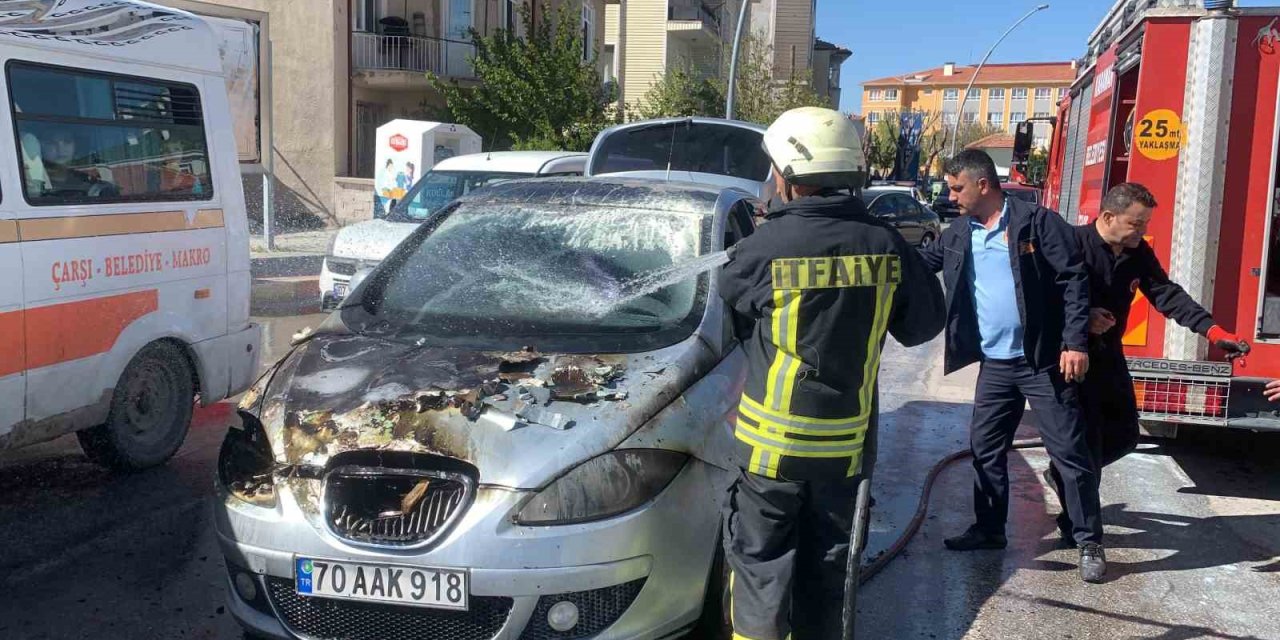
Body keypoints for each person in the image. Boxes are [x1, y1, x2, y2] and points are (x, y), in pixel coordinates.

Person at [718, 106, 945, 640]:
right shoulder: (887, 245)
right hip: (843, 450)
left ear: (790, 178)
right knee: (829, 569)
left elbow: (731, 324)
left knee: (760, 566)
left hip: (770, 452)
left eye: (775, 169)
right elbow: (921, 328)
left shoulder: (763, 248)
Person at [918, 149, 1107, 583]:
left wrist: (1075, 341)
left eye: (957, 187)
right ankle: (988, 530)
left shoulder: (1038, 224)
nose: (952, 196)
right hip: (996, 366)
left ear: (983, 184)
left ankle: (1088, 541)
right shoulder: (958, 233)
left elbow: (1074, 279)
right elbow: (920, 265)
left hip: (1043, 361)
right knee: (985, 450)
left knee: (1069, 452)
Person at [1044, 183, 1251, 535]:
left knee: (1125, 436)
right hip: (1071, 358)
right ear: (1108, 217)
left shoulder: (1136, 253)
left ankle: (1065, 471)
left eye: (1145, 224)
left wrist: (1213, 332)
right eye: (1136, 224)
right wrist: (1081, 320)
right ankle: (1076, 523)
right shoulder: (1072, 244)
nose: (1142, 231)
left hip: (1109, 355)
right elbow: (1041, 298)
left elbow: (1166, 293)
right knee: (1088, 441)